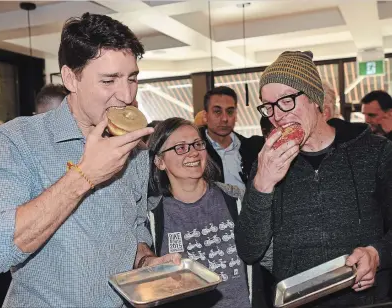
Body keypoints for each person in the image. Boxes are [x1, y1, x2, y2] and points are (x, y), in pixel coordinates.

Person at [0, 13, 179, 307]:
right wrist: (84, 176)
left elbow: (133, 226)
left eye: (132, 78)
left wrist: (146, 261)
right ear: (70, 78)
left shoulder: (135, 148)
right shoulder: (16, 139)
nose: (126, 95)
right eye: (109, 80)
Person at [235, 51, 392, 307]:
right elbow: (249, 249)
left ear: (315, 99)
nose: (276, 115)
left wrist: (377, 254)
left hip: (366, 300)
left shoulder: (375, 152)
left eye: (286, 100)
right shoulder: (267, 162)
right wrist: (262, 184)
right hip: (296, 301)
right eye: (268, 106)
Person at [147, 117, 272, 308]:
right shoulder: (152, 217)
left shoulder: (236, 198)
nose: (194, 153)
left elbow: (269, 255)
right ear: (159, 161)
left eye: (197, 144)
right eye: (180, 147)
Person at [200, 86, 264, 190]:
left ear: (236, 115)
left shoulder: (253, 149)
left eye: (230, 112)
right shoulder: (194, 152)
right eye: (217, 111)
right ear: (205, 116)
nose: (225, 118)